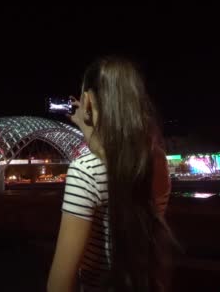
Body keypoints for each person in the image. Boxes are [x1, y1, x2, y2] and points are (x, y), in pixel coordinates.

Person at [47, 56, 173, 292]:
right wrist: (87, 129)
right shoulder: (157, 160)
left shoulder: (84, 172)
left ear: (87, 100)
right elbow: (117, 164)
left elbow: (59, 284)